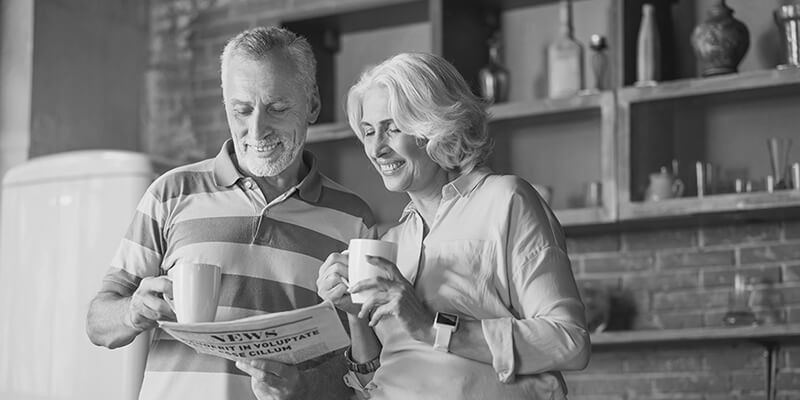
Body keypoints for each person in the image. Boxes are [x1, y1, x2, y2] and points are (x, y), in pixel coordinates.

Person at [85, 26, 376, 400]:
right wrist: (132, 311)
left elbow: (363, 369)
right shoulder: (171, 193)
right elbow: (98, 323)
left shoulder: (355, 219)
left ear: (313, 105)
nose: (257, 129)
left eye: (277, 108)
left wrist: (305, 388)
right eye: (241, 110)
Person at [316, 52, 590, 399]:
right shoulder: (393, 240)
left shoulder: (505, 201)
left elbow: (570, 341)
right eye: (369, 132)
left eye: (393, 128)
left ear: (435, 125)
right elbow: (379, 374)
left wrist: (433, 328)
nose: (376, 148)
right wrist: (355, 316)